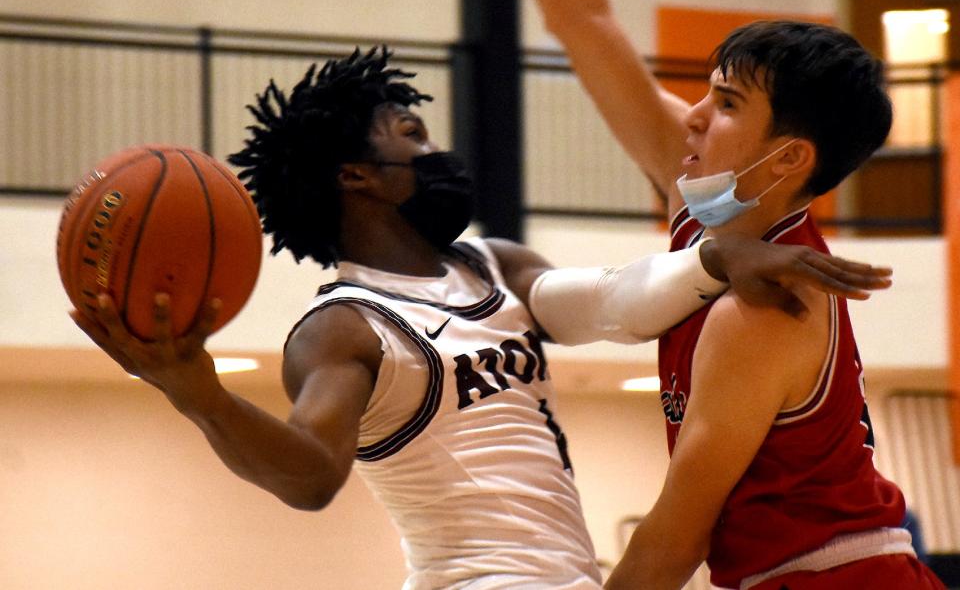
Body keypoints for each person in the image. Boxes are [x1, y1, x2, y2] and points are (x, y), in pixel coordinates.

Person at [71, 48, 892, 589]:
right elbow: (313, 474)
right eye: (412, 134)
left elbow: (613, 303)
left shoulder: (492, 263)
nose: (438, 152)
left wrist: (718, 258)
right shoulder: (344, 327)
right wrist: (203, 396)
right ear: (358, 175)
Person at [470, 0, 946, 588]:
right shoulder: (711, 204)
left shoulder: (766, 307)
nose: (691, 115)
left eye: (724, 104)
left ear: (788, 157)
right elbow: (580, 17)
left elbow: (675, 534)